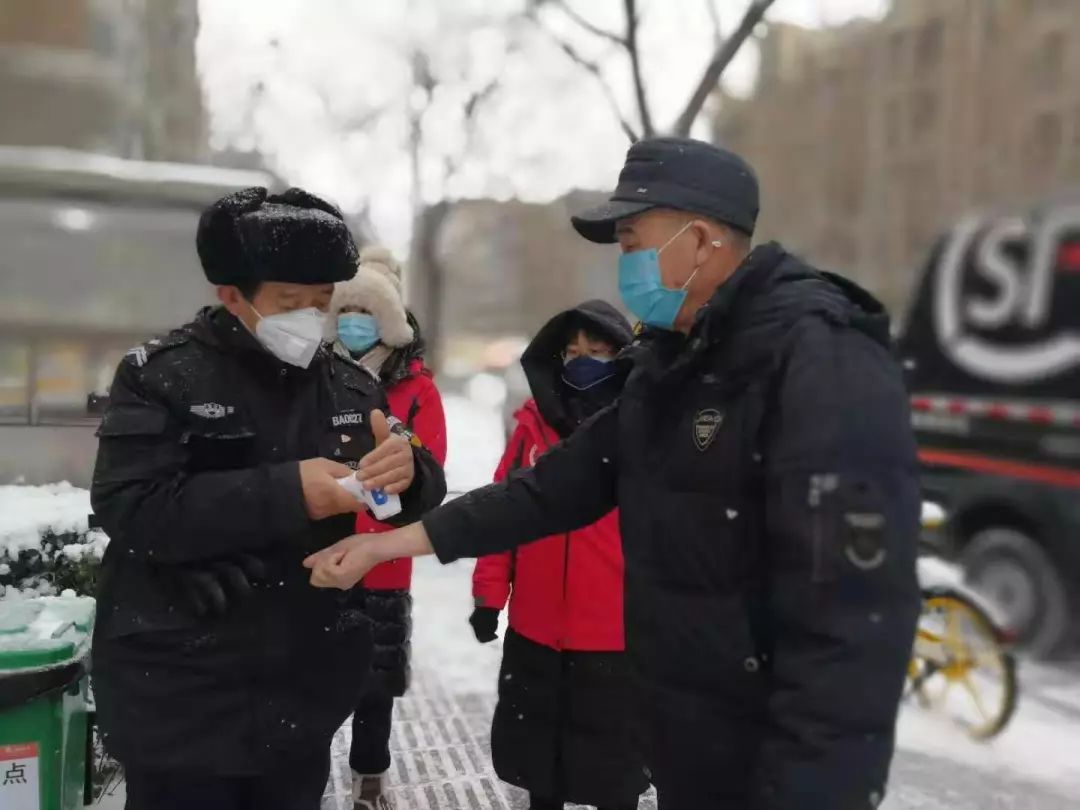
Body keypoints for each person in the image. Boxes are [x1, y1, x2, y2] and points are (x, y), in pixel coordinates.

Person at [305, 138, 922, 810]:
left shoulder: (821, 357)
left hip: (775, 769)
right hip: (688, 751)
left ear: (703, 240)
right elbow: (545, 493)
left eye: (632, 241)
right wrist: (385, 543)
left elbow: (853, 622)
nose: (624, 264)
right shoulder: (669, 371)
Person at [89, 187, 446, 810]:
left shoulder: (350, 387)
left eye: (321, 302)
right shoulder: (160, 376)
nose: (310, 317)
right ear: (232, 296)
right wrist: (288, 493)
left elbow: (418, 481)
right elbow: (129, 504)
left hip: (300, 697)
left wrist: (408, 474)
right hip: (179, 694)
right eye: (289, 303)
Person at [470, 300, 646, 810]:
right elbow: (502, 511)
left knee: (614, 776)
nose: (582, 360)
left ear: (620, 356)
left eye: (596, 350)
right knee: (540, 770)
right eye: (571, 352)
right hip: (536, 635)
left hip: (615, 641)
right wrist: (488, 594)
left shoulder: (641, 429)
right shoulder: (531, 428)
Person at [327, 246, 448, 808]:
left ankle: (369, 775)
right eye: (345, 310)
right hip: (321, 557)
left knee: (375, 683)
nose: (354, 323)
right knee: (314, 675)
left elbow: (432, 473)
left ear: (389, 321)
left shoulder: (416, 389)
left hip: (382, 558)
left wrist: (401, 465)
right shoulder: (315, 375)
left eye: (367, 313)